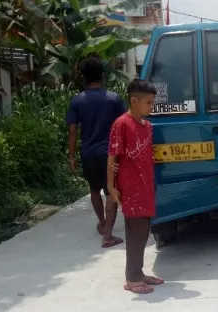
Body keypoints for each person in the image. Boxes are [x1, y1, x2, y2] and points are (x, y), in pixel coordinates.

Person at [107, 79, 164, 295]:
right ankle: (132, 278)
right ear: (134, 100)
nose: (151, 107)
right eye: (148, 103)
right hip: (130, 189)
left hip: (146, 187)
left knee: (143, 232)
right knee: (135, 232)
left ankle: (138, 273)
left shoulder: (147, 126)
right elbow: (112, 157)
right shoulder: (121, 124)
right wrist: (111, 187)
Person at [67, 55, 128, 248]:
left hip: (88, 153)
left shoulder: (77, 101)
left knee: (94, 189)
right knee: (112, 191)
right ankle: (108, 234)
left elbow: (72, 130)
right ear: (102, 76)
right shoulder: (113, 99)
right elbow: (126, 124)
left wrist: (71, 157)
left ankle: (102, 223)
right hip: (110, 154)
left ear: (83, 77)